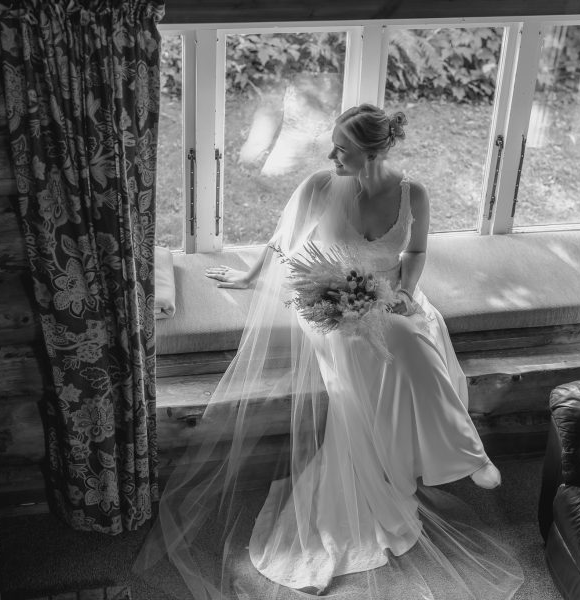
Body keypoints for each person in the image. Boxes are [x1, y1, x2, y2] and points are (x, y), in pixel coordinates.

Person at [134, 104, 523, 599]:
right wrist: (248, 278)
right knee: (400, 343)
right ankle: (461, 452)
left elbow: (416, 253)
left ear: (373, 152)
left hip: (387, 294)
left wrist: (404, 291)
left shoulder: (413, 195)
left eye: (343, 148)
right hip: (326, 299)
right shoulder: (321, 186)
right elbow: (282, 242)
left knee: (410, 337)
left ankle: (463, 454)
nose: (331, 154)